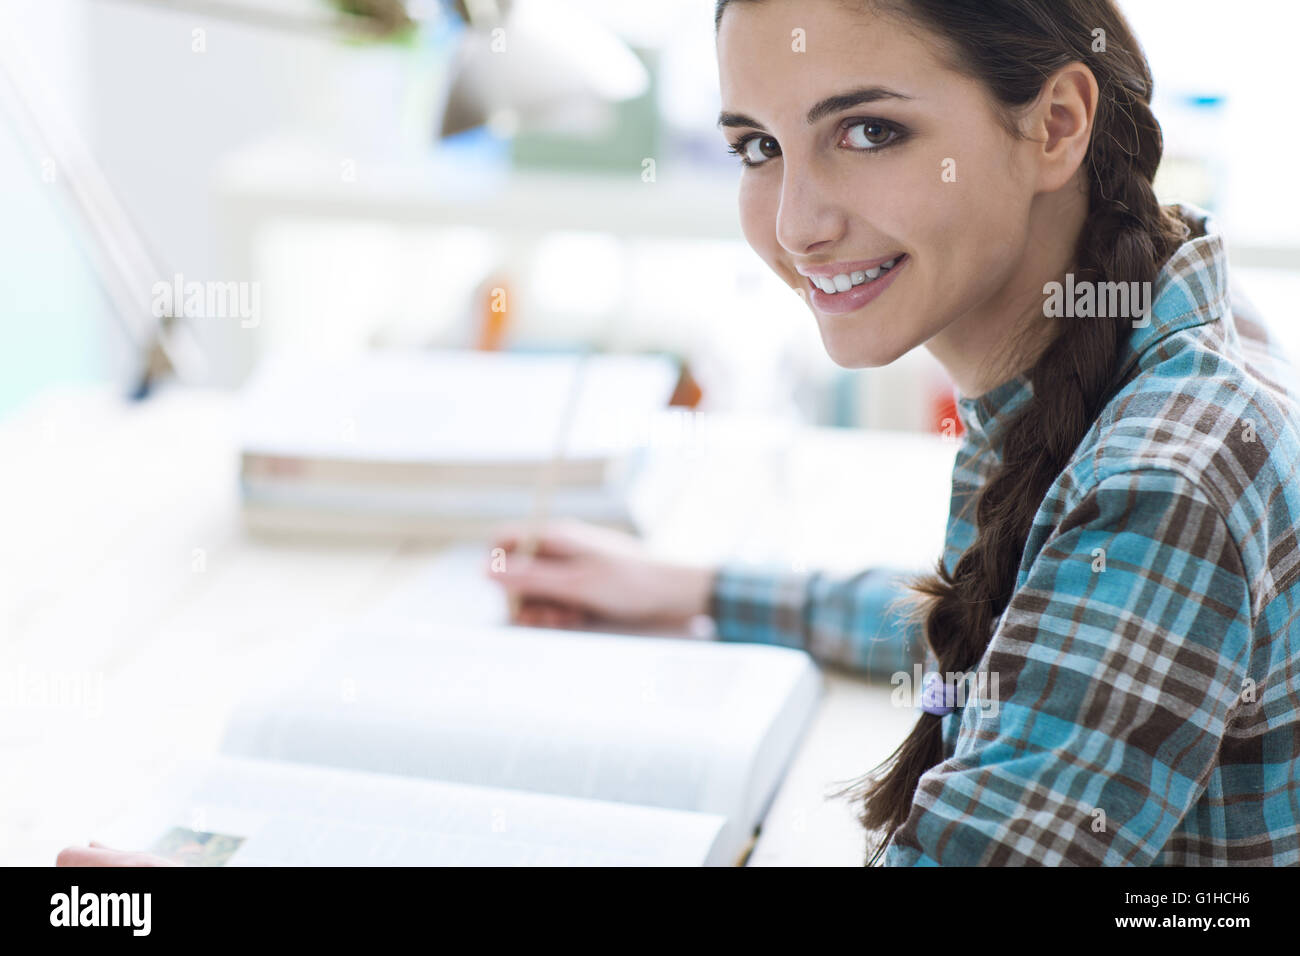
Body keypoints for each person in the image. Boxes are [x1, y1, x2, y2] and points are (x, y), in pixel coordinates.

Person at [487, 0, 1300, 866]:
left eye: (870, 131)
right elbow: (1034, 620)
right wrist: (699, 589)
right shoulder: (1156, 315)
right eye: (759, 147)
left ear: (1056, 125)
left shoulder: (1166, 480)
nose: (798, 227)